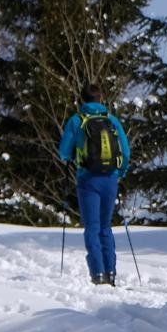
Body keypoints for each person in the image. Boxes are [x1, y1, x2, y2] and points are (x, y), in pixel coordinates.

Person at [57, 84, 132, 285]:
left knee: (92, 227)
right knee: (105, 227)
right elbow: (125, 152)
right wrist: (120, 173)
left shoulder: (76, 121)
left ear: (82, 100)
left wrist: (73, 155)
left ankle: (97, 273)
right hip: (110, 179)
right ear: (101, 98)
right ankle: (111, 272)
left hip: (88, 179)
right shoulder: (112, 120)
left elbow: (63, 152)